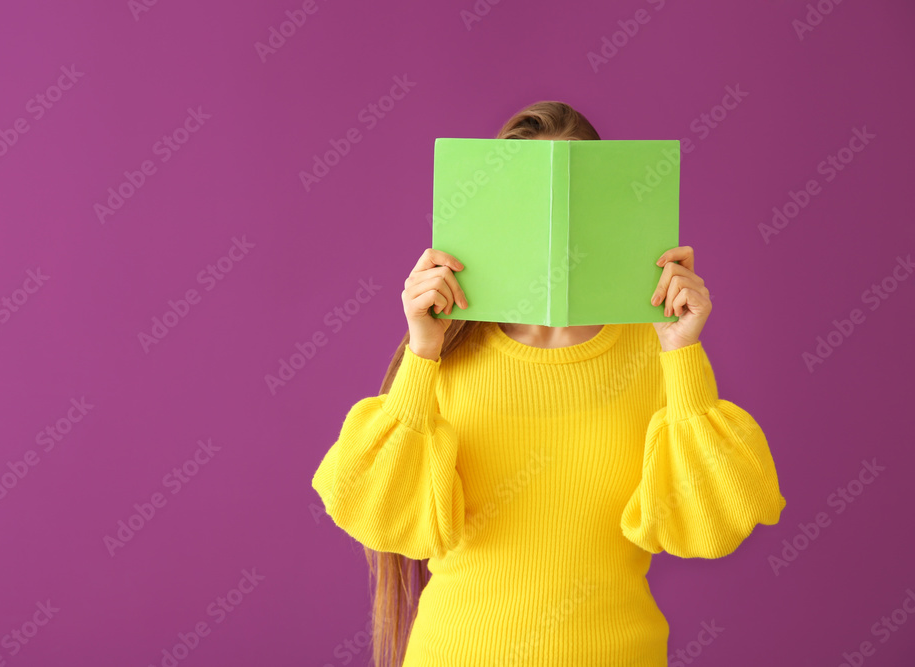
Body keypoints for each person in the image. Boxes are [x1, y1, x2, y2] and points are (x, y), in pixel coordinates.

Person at [310, 100, 786, 667]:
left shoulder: (657, 347)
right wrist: (421, 350)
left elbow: (713, 525)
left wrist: (681, 351)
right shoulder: (442, 347)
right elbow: (375, 513)